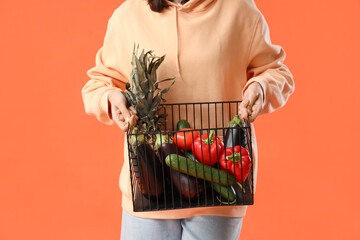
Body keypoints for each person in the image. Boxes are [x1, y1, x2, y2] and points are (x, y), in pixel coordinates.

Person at [81, 0, 295, 239]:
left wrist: (261, 86)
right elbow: (98, 83)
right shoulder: (127, 15)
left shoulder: (239, 9)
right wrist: (110, 98)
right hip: (150, 185)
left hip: (218, 186)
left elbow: (277, 71)